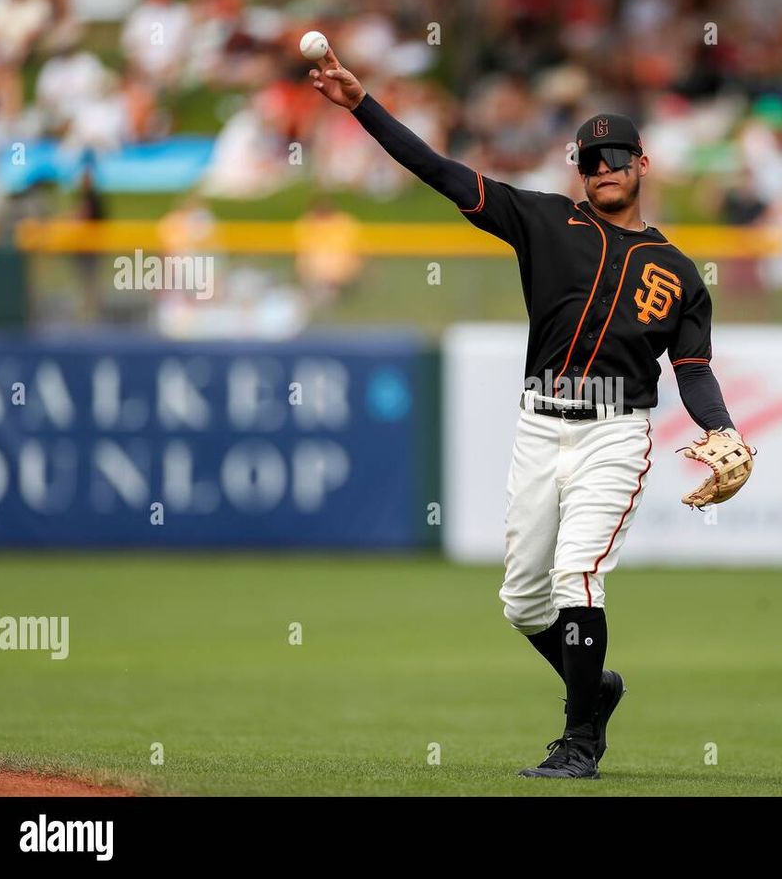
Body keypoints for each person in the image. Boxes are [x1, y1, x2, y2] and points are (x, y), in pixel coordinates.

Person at [310, 46, 750, 779]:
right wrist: (363, 105)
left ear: (643, 164)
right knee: (522, 600)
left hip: (617, 431)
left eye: (616, 156)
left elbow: (693, 369)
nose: (602, 168)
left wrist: (721, 427)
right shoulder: (543, 221)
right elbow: (439, 170)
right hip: (539, 425)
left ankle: (580, 742)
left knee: (578, 575)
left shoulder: (677, 271)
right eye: (589, 159)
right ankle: (594, 687)